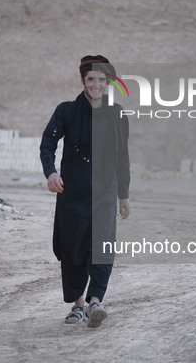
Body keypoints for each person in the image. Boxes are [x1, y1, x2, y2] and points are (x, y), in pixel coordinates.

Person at [39, 55, 130, 328]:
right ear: (83, 81)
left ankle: (95, 302)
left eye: (102, 80)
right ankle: (78, 306)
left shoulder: (118, 114)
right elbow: (47, 144)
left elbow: (122, 157)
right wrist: (51, 172)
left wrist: (123, 194)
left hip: (105, 194)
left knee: (103, 247)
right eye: (91, 79)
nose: (96, 85)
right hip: (72, 194)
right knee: (72, 250)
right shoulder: (66, 111)